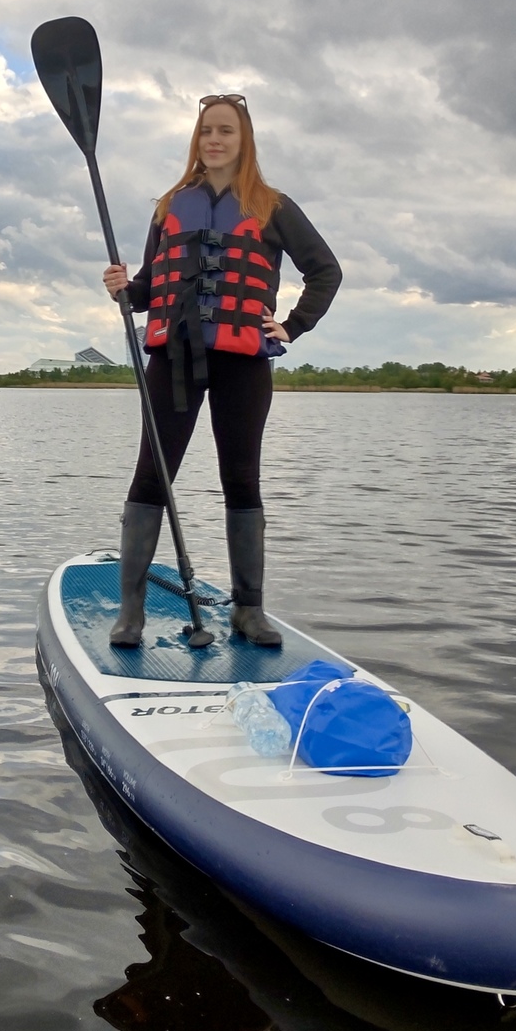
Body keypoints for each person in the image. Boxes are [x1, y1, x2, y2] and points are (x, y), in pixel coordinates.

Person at [101, 94, 341, 649]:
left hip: (242, 363)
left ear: (243, 139)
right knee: (150, 477)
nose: (214, 139)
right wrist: (124, 289)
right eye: (207, 130)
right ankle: (130, 613)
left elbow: (326, 270)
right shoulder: (168, 207)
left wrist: (295, 324)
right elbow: (146, 289)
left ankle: (248, 611)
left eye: (226, 131)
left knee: (242, 479)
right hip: (175, 360)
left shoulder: (272, 206)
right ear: (197, 138)